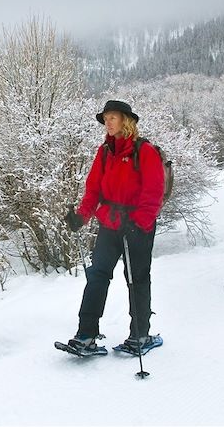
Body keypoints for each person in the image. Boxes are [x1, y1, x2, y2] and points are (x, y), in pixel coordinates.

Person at [63, 100, 165, 355]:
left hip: (137, 227)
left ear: (126, 121)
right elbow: (93, 189)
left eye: (112, 118)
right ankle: (85, 335)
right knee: (97, 275)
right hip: (109, 225)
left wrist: (140, 223)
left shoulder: (145, 151)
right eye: (105, 118)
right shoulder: (105, 152)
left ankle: (140, 336)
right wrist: (81, 216)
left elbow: (154, 192)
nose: (107, 122)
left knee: (137, 279)